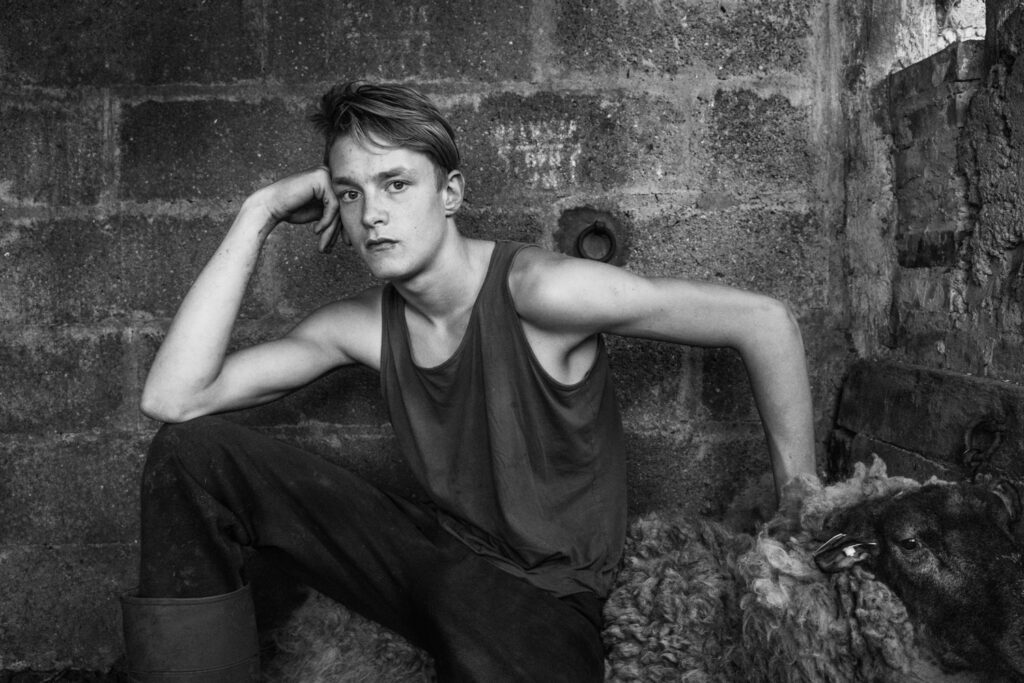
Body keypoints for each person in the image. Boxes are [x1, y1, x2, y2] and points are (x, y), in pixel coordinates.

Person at [120, 81, 817, 682]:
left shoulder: (541, 292)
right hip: (437, 557)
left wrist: (802, 515)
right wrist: (259, 213)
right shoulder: (360, 325)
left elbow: (764, 321)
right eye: (350, 193)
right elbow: (174, 398)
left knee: (482, 626)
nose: (372, 214)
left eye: (396, 184)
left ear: (450, 193)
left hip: (548, 600)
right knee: (191, 453)